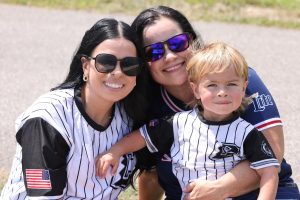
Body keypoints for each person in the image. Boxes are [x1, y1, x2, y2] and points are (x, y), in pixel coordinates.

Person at [131, 5, 300, 200]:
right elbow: (151, 175)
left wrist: (219, 188)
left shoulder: (237, 80)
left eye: (178, 43)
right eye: (154, 52)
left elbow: (273, 151)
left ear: (193, 42)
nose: (170, 56)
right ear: (142, 61)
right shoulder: (147, 103)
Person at [96, 41, 280, 200]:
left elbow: (269, 171)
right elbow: (142, 137)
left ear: (244, 87)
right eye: (212, 85)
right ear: (196, 89)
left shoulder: (247, 132)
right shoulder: (177, 123)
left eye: (231, 84)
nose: (222, 92)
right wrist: (115, 151)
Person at [0, 18, 149, 199]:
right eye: (106, 62)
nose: (117, 72)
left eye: (129, 64)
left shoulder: (129, 114)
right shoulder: (47, 119)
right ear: (86, 66)